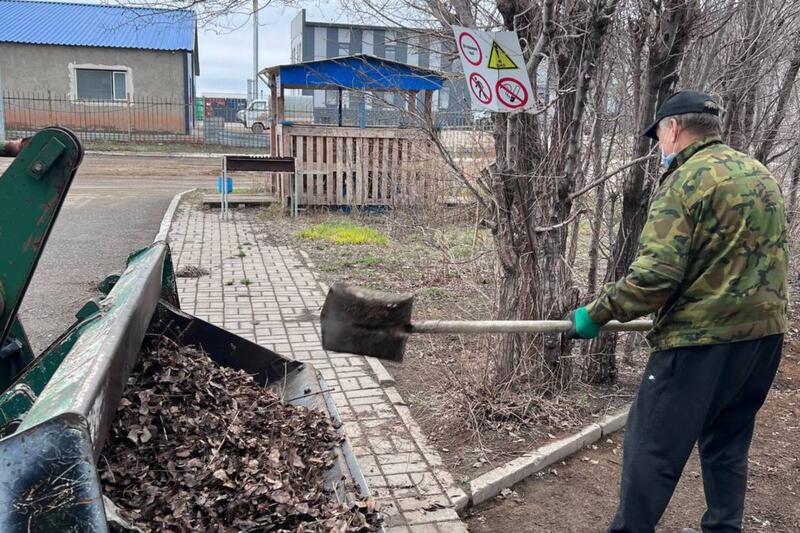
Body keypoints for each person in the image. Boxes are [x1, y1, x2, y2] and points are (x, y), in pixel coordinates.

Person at [565, 90, 788, 533]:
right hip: (763, 339)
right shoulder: (759, 173)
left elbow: (654, 278)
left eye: (659, 137)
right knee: (727, 444)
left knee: (652, 449)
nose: (660, 148)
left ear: (672, 129)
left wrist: (597, 313)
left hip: (700, 344)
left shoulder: (686, 181)